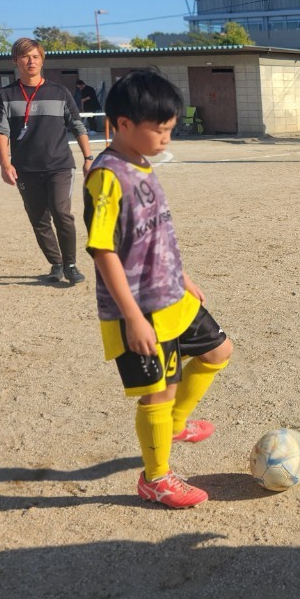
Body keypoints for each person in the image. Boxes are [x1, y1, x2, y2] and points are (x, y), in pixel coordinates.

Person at [84, 69, 234, 509]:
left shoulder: (141, 161)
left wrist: (182, 276)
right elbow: (103, 250)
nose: (167, 137)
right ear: (124, 124)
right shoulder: (107, 176)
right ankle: (156, 478)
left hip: (172, 294)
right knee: (159, 391)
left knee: (218, 353)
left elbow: (154, 233)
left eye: (171, 129)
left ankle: (175, 424)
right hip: (141, 308)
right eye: (160, 129)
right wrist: (131, 317)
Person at [0, 38, 93, 284]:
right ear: (15, 61)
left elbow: (77, 125)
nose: (31, 61)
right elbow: (0, 131)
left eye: (36, 56)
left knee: (62, 213)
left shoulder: (60, 92)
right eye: (25, 57)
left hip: (59, 165)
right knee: (38, 218)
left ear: (42, 59)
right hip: (25, 168)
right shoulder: (5, 95)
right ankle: (56, 264)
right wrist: (6, 164)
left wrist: (88, 157)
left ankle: (70, 264)